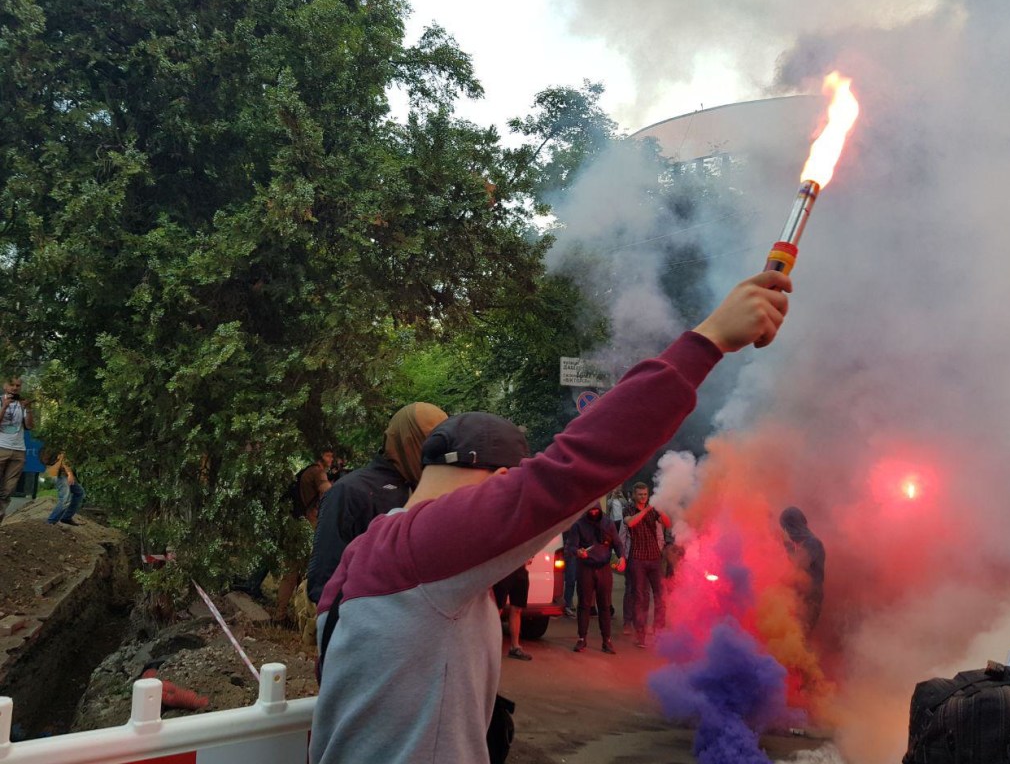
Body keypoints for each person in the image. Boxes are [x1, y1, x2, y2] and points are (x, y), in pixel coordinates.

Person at [309, 270, 791, 764]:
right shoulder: (428, 545)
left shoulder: (370, 548)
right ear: (499, 481)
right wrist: (707, 341)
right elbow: (576, 466)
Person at [306, 402, 447, 604]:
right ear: (406, 441)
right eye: (431, 441)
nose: (437, 454)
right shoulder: (351, 491)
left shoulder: (431, 492)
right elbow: (323, 582)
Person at [274, 448, 335, 621]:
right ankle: (291, 616)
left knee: (293, 572)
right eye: (328, 455)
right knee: (303, 572)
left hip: (295, 525)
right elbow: (329, 492)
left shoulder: (305, 471)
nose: (331, 459)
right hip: (307, 527)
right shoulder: (317, 472)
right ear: (321, 455)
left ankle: (285, 612)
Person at [565, 501, 626, 654]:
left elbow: (617, 544)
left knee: (604, 606)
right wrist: (578, 552)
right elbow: (570, 546)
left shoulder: (608, 523)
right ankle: (581, 638)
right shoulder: (578, 525)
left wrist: (622, 557)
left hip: (604, 568)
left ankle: (607, 640)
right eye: (590, 510)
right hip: (586, 568)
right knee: (584, 605)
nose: (593, 513)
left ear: (599, 509)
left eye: (595, 510)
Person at [624, 481, 671, 648]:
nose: (643, 497)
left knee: (660, 596)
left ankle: (659, 631)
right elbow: (630, 523)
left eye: (645, 494)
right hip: (637, 558)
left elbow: (667, 523)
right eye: (640, 494)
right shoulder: (629, 508)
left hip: (654, 558)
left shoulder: (653, 509)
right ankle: (640, 635)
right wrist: (645, 510)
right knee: (640, 598)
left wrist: (662, 510)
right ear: (634, 495)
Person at [779, 505, 825, 635]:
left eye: (787, 527)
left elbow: (799, 562)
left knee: (799, 635)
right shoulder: (803, 545)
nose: (787, 531)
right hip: (799, 598)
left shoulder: (813, 543)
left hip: (810, 600)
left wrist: (785, 545)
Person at [0, 376, 33, 525]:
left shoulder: (22, 403)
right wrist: (4, 407)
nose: (14, 388)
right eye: (11, 385)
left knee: (9, 488)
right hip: (1, 447)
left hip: (19, 450)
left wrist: (28, 409)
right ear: (4, 386)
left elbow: (30, 426)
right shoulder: (1, 401)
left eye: (18, 385)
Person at [493, 564, 532, 661]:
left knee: (517, 609)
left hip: (520, 570)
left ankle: (515, 647)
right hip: (503, 571)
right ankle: (490, 648)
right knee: (497, 610)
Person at [45, 453, 86, 526]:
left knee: (79, 492)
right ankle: (50, 522)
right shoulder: (68, 446)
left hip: (63, 474)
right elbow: (64, 458)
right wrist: (70, 474)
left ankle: (66, 518)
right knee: (65, 500)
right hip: (60, 474)